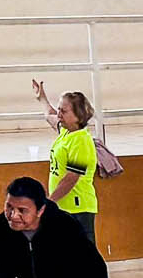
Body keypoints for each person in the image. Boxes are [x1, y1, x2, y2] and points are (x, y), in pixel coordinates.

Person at [35, 85, 100, 244]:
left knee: (83, 254)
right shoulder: (66, 133)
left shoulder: (80, 141)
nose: (59, 114)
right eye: (59, 109)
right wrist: (42, 98)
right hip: (64, 207)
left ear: (78, 116)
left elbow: (71, 178)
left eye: (64, 111)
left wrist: (50, 202)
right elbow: (49, 115)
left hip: (79, 208)